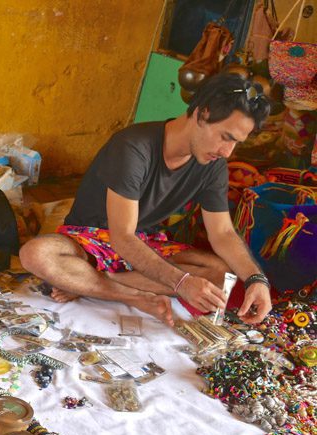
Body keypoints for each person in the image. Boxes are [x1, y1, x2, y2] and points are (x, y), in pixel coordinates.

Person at [19, 73, 273, 326]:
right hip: (90, 241)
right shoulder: (133, 147)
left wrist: (255, 279)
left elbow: (223, 233)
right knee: (36, 253)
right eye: (225, 137)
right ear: (202, 114)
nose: (227, 152)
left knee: (221, 273)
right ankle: (128, 294)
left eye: (236, 143)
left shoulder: (213, 164)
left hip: (145, 244)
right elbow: (122, 237)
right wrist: (181, 282)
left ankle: (88, 283)